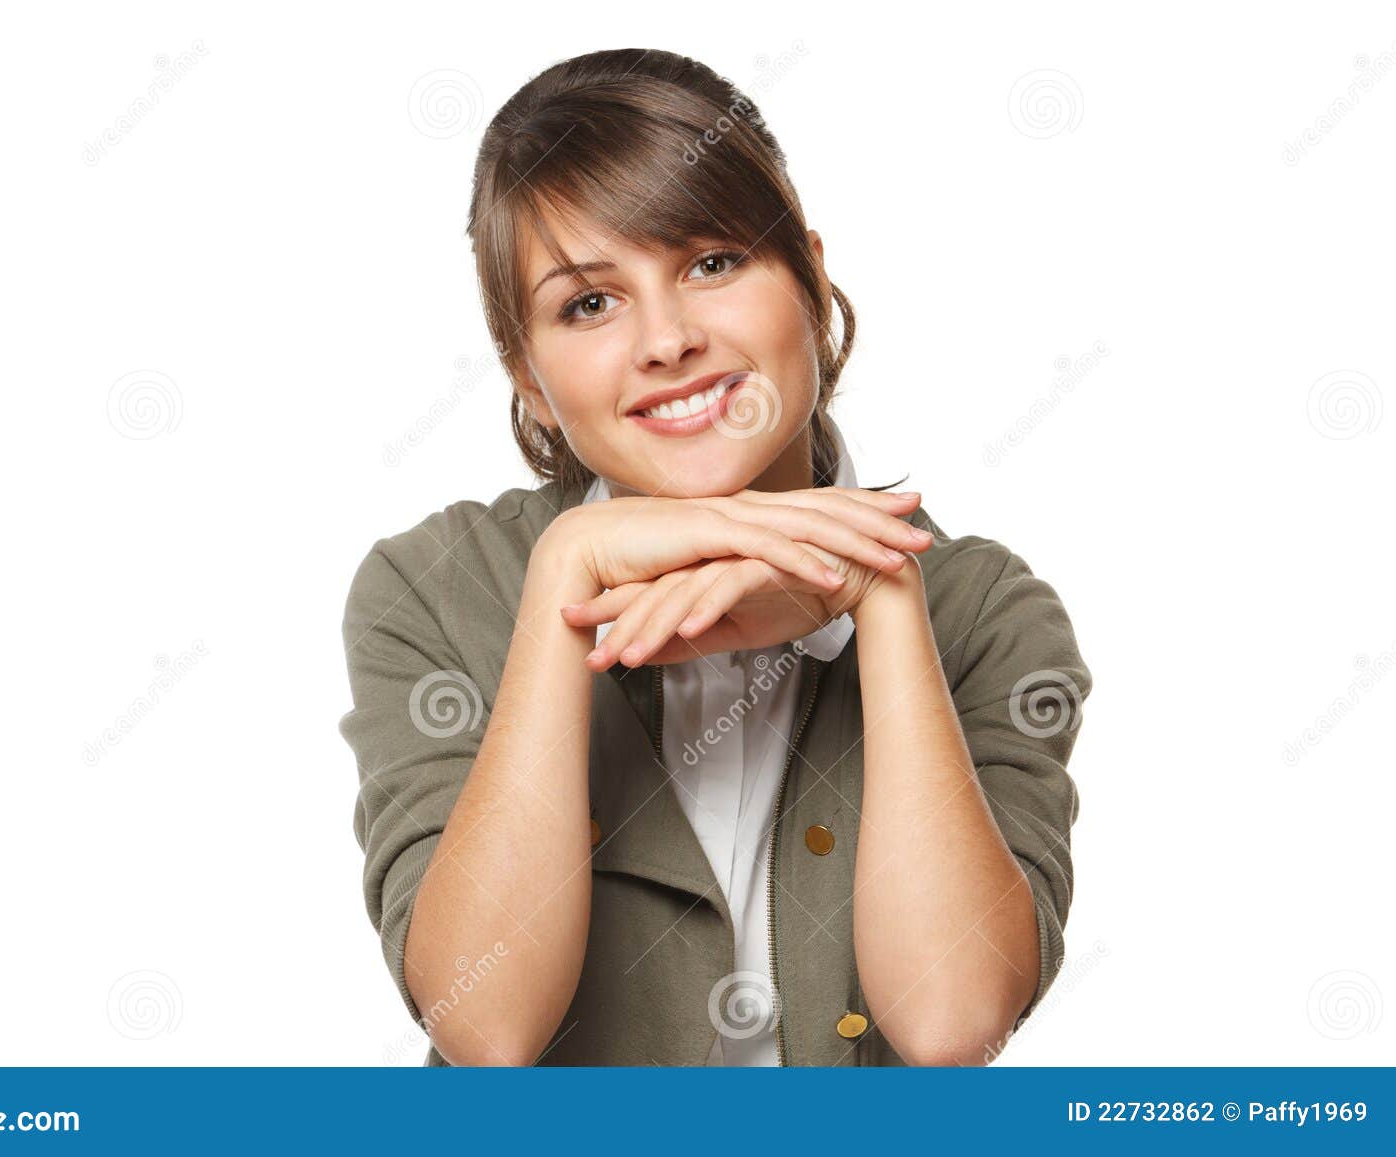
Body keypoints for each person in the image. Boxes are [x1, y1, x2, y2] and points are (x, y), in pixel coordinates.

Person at [340, 47, 1092, 1066]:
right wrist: (569, 566)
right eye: (588, 303)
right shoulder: (433, 587)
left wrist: (876, 594)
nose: (666, 339)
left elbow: (951, 1023)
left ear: (812, 279)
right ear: (526, 371)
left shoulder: (982, 609)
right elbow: (485, 1027)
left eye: (711, 261)